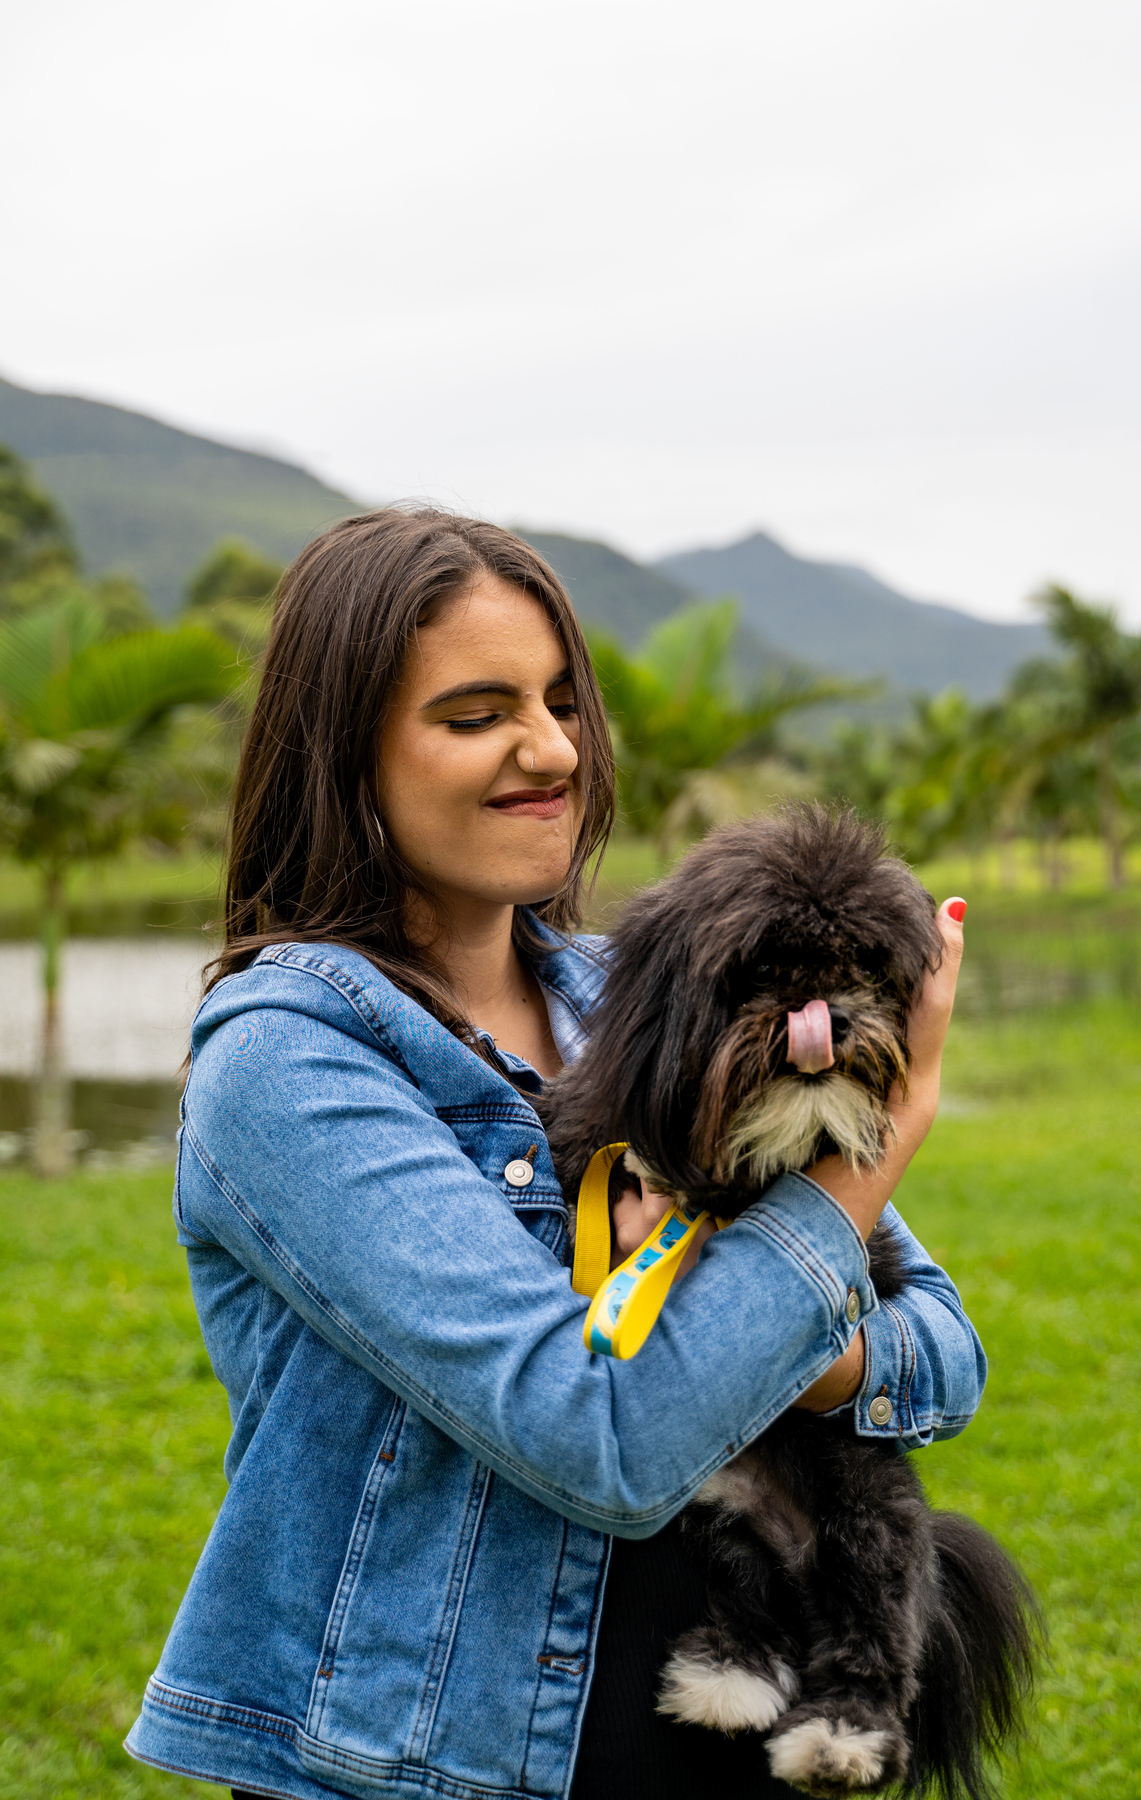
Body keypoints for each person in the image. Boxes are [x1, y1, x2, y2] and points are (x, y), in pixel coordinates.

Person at [124, 508, 984, 1800]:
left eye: (560, 701)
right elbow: (601, 1444)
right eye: (475, 716)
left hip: (728, 1724)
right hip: (437, 1762)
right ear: (344, 756)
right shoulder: (291, 1063)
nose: (550, 750)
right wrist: (873, 1148)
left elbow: (946, 1359)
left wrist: (829, 1358)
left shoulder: (633, 992)